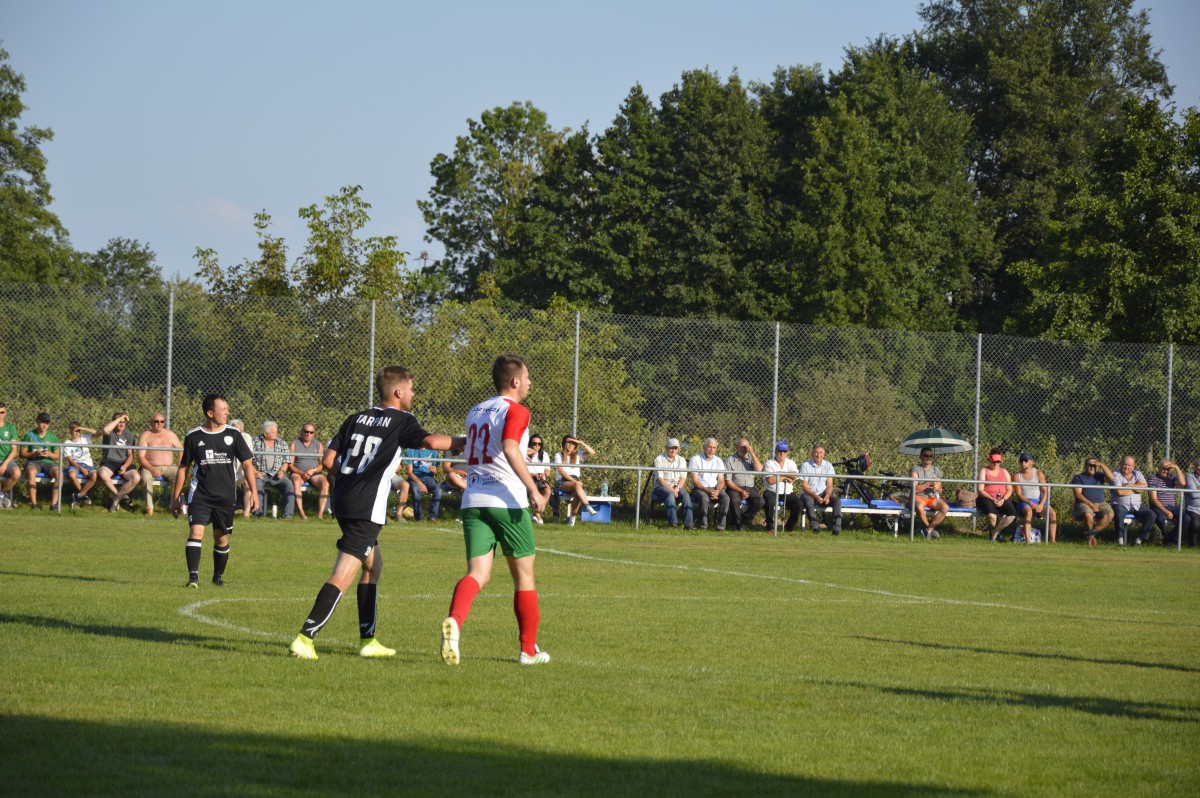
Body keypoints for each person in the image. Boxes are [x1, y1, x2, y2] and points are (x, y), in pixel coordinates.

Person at [288, 366, 462, 661]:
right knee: (343, 573)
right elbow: (432, 443)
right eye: (411, 389)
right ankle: (305, 637)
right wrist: (467, 441)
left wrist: (350, 478)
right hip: (366, 507)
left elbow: (328, 460)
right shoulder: (403, 419)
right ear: (398, 392)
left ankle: (368, 640)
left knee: (373, 565)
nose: (413, 394)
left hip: (344, 500)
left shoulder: (355, 418)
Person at [441, 354, 550, 666]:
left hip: (474, 500)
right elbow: (510, 447)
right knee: (524, 577)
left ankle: (455, 622)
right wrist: (533, 489)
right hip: (507, 501)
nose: (529, 382)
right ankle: (528, 650)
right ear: (515, 381)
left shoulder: (476, 410)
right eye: (526, 378)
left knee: (478, 573)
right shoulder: (517, 410)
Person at [170, 394, 258, 588]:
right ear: (210, 413)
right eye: (223, 409)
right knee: (196, 532)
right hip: (200, 494)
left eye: (227, 409)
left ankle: (218, 576)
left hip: (225, 496)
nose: (227, 413)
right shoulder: (194, 436)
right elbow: (183, 467)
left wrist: (254, 494)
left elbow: (247, 465)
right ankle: (193, 577)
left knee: (220, 538)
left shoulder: (233, 435)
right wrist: (175, 498)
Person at [137, 412, 182, 516]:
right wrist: (152, 469)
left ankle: (172, 506)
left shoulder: (170, 434)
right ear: (151, 422)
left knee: (179, 476)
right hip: (150, 467)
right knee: (146, 478)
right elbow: (140, 457)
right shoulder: (145, 435)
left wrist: (180, 463)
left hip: (169, 467)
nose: (159, 423)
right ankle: (149, 508)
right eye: (156, 421)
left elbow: (181, 449)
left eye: (162, 421)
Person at [97, 412, 141, 513]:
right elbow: (104, 430)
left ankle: (115, 500)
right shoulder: (110, 433)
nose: (121, 424)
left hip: (124, 462)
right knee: (103, 474)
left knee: (136, 477)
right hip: (109, 462)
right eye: (119, 422)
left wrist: (125, 466)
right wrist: (119, 418)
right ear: (115, 422)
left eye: (123, 422)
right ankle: (120, 495)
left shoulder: (129, 435)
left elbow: (130, 455)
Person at [21, 412, 63, 511]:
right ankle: (34, 504)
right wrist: (35, 453)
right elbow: (22, 454)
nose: (45, 425)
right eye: (42, 422)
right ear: (37, 422)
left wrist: (49, 454)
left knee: (59, 474)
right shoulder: (29, 435)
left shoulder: (52, 436)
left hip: (49, 463)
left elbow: (57, 456)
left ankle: (53, 505)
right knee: (31, 472)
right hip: (33, 462)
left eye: (47, 423)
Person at [253, 420, 295, 519]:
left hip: (277, 474)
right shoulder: (254, 441)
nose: (276, 434)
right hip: (260, 473)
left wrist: (282, 471)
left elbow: (286, 461)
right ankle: (257, 515)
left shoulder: (282, 443)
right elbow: (248, 460)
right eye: (273, 432)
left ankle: (288, 516)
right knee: (257, 486)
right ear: (265, 434)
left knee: (289, 485)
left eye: (276, 432)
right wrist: (255, 472)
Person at [1111, 455, 1156, 546]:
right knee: (1119, 514)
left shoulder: (1138, 474)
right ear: (1121, 464)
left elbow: (1145, 487)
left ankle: (1139, 540)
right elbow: (1119, 492)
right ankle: (1120, 541)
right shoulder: (1115, 474)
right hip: (1120, 504)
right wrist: (1136, 488)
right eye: (1125, 464)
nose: (1126, 467)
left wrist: (1128, 485)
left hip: (1137, 505)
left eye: (1129, 465)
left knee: (1152, 515)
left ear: (1133, 466)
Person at [1013, 452, 1057, 544]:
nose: (1023, 463)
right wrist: (1030, 503)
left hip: (1038, 501)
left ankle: (1052, 541)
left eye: (1025, 461)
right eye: (1021, 461)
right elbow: (1019, 494)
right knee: (1028, 512)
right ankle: (1028, 541)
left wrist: (1041, 504)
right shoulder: (1017, 475)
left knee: (1052, 513)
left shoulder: (1038, 473)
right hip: (1024, 501)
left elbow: (1045, 491)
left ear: (1031, 462)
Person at [1070, 458, 1115, 545]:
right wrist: (1091, 505)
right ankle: (1091, 538)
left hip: (1101, 503)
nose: (1092, 468)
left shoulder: (1099, 476)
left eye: (1094, 466)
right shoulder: (1078, 477)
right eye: (1090, 465)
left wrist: (1102, 465)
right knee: (1088, 514)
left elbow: (1112, 478)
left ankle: (1090, 534)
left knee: (1110, 514)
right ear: (1085, 466)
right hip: (1084, 503)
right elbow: (1078, 495)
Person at [289, 423, 329, 520]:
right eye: (306, 431)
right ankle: (302, 513)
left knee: (325, 483)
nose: (308, 434)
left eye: (311, 432)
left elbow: (322, 464)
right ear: (301, 432)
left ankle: (320, 515)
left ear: (314, 433)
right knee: (296, 482)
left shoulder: (318, 445)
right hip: (298, 473)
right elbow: (290, 465)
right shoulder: (294, 444)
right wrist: (301, 473)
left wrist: (313, 470)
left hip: (314, 473)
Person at [799, 444, 842, 535]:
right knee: (809, 501)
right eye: (816, 453)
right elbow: (804, 486)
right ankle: (814, 527)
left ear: (824, 454)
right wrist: (816, 496)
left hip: (823, 494)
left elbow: (830, 485)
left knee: (837, 501)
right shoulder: (805, 465)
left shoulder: (828, 465)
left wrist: (828, 496)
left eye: (820, 453)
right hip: (809, 494)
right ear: (812, 454)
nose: (818, 455)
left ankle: (836, 529)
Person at [554, 434, 596, 526]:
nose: (570, 445)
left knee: (577, 494)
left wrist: (581, 443)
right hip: (562, 481)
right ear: (564, 444)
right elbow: (561, 472)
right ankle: (587, 506)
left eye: (573, 443)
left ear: (575, 445)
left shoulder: (577, 455)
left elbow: (592, 452)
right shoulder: (559, 455)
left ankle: (572, 520)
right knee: (578, 485)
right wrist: (575, 481)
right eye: (568, 442)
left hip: (575, 482)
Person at [651, 438, 693, 529]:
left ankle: (689, 525)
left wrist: (677, 488)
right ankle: (673, 524)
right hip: (661, 487)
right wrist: (672, 490)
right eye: (671, 448)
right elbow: (659, 479)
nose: (673, 450)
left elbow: (683, 477)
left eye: (675, 448)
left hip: (677, 487)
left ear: (678, 449)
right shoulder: (659, 459)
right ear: (666, 448)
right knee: (670, 494)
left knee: (686, 496)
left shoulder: (681, 460)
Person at [689, 438, 730, 530]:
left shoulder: (719, 461)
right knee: (704, 498)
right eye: (709, 447)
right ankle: (703, 526)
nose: (711, 450)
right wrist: (708, 491)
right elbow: (695, 481)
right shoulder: (695, 459)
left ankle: (720, 527)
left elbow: (721, 480)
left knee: (726, 498)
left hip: (714, 488)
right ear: (704, 447)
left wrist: (717, 491)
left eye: (714, 448)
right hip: (699, 488)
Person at [977, 448, 1017, 542]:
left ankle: (995, 533)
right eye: (994, 462)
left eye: (998, 462)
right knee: (992, 516)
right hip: (986, 498)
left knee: (1012, 515)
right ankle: (996, 535)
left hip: (1002, 498)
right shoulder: (984, 471)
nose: (996, 464)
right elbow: (980, 490)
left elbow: (1009, 490)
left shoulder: (1004, 472)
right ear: (989, 460)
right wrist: (992, 498)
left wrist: (1003, 499)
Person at [724, 437, 764, 531]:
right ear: (736, 447)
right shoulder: (730, 460)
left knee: (760, 502)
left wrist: (752, 453)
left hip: (750, 487)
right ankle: (739, 526)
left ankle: (741, 519)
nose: (744, 449)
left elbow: (759, 470)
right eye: (742, 446)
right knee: (734, 501)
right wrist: (741, 491)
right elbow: (727, 481)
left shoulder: (750, 458)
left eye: (747, 446)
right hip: (734, 487)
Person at [910, 447, 950, 539]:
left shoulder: (936, 470)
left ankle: (928, 530)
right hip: (918, 497)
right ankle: (929, 530)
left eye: (931, 456)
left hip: (931, 497)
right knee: (920, 506)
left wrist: (937, 488)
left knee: (945, 507)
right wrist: (929, 483)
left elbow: (940, 489)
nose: (929, 458)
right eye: (926, 455)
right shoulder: (915, 469)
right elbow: (915, 490)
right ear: (920, 456)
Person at [762, 441, 801, 533]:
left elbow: (795, 476)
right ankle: (770, 527)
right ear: (775, 451)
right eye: (780, 451)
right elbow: (770, 480)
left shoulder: (791, 463)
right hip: (771, 491)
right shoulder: (769, 463)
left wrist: (779, 474)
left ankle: (789, 527)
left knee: (798, 504)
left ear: (787, 453)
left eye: (784, 451)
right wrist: (785, 477)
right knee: (769, 502)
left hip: (787, 492)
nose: (782, 453)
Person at [1145, 459, 1186, 545]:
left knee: (1187, 518)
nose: (1166, 471)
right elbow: (1153, 499)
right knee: (1160, 519)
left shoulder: (1171, 478)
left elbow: (1182, 483)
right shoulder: (1153, 478)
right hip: (1158, 507)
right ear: (1158, 468)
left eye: (1168, 469)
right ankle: (1167, 538)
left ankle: (1171, 538)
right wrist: (1165, 511)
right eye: (1164, 468)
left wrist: (1177, 468)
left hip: (1172, 506)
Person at [63, 421, 100, 507]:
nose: (77, 433)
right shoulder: (67, 443)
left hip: (87, 464)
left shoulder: (84, 438)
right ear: (70, 431)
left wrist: (83, 428)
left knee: (94, 476)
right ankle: (84, 495)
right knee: (72, 475)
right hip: (75, 464)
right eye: (75, 431)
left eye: (79, 431)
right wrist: (81, 469)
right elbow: (70, 461)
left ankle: (78, 495)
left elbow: (98, 433)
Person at [405, 445, 443, 521]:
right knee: (416, 490)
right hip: (415, 477)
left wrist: (435, 471)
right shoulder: (410, 451)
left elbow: (436, 471)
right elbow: (409, 472)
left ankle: (433, 517)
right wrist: (419, 483)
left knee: (438, 490)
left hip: (429, 478)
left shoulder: (433, 452)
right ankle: (419, 518)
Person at [229, 419, 256, 519]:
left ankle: (246, 514)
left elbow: (249, 458)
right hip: (229, 471)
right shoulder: (225, 437)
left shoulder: (246, 437)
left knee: (248, 484)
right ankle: (229, 511)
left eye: (240, 432)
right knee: (229, 486)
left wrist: (249, 473)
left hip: (242, 471)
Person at [525, 434, 553, 524]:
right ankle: (538, 517)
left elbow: (548, 471)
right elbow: (523, 471)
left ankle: (536, 512)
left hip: (540, 479)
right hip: (528, 479)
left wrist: (543, 474)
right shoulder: (524, 454)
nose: (537, 446)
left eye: (539, 444)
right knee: (533, 492)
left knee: (548, 491)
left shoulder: (544, 454)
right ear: (530, 443)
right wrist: (534, 474)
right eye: (534, 443)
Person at [0, 402, 21, 509]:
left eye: (2, 412)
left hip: (7, 460)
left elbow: (14, 450)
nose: (0, 415)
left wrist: (4, 464)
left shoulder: (10, 428)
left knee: (17, 473)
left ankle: (1, 494)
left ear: (5, 413)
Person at [1184, 458, 1200, 548]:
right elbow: (1193, 494)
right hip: (1193, 508)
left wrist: (1198, 488)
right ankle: (1192, 545)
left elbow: (1196, 491)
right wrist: (1196, 489)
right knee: (1195, 524)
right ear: (1195, 466)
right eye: (1199, 465)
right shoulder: (1190, 476)